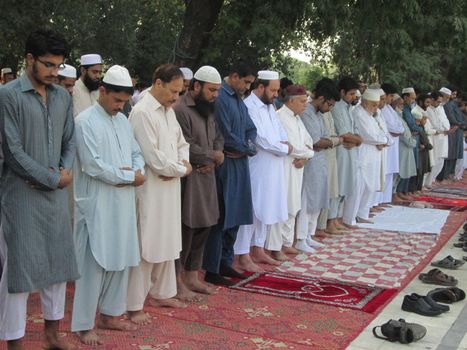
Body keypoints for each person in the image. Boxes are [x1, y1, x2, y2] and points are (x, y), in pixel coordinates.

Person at [0, 28, 79, 350]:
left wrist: (63, 170)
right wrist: (51, 178)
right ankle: (14, 343)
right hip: (20, 197)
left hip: (55, 197)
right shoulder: (8, 96)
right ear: (29, 59)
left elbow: (70, 139)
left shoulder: (62, 96)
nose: (53, 72)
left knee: (57, 266)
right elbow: (12, 151)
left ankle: (51, 335)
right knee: (17, 275)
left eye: (58, 66)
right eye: (47, 64)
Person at [71, 65, 145, 346]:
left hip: (122, 201)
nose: (120, 106)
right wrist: (129, 176)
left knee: (120, 258)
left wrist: (138, 171)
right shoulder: (85, 122)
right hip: (97, 203)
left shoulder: (123, 121)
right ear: (102, 91)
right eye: (116, 100)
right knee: (93, 263)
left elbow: (137, 153)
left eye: (124, 101)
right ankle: (82, 324)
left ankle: (112, 314)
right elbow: (92, 166)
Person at [127, 64, 191, 324]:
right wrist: (179, 169)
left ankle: (162, 292)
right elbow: (153, 159)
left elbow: (181, 143)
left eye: (179, 92)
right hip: (151, 188)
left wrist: (182, 166)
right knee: (147, 245)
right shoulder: (142, 112)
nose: (176, 97)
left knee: (167, 240)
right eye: (173, 91)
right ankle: (133, 305)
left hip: (170, 185)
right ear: (157, 83)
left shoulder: (168, 111)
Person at [202, 62, 257, 286]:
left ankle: (225, 261)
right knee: (222, 215)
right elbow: (224, 134)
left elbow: (251, 129)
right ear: (234, 76)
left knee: (235, 214)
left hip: (239, 164)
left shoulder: (239, 100)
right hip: (225, 164)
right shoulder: (222, 98)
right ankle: (212, 268)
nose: (247, 87)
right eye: (245, 82)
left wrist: (248, 146)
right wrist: (247, 147)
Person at [173, 66, 224, 299]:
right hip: (190, 178)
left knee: (205, 226)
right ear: (196, 86)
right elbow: (185, 144)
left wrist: (217, 154)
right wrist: (210, 157)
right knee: (186, 229)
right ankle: (176, 281)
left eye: (217, 91)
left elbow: (219, 137)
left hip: (207, 176)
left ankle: (193, 276)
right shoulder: (181, 109)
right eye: (212, 90)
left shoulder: (209, 109)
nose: (215, 95)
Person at [234, 70, 291, 272]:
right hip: (256, 166)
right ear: (260, 87)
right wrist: (284, 148)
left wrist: (284, 144)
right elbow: (260, 139)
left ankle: (258, 248)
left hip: (273, 166)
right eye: (273, 90)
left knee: (266, 208)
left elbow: (280, 131)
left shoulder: (269, 106)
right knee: (251, 209)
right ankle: (242, 254)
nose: (276, 94)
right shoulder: (249, 106)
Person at [268, 85, 314, 259]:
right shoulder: (280, 117)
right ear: (291, 101)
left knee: (293, 205)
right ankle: (275, 247)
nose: (305, 105)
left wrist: (306, 156)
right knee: (281, 206)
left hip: (297, 168)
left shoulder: (297, 118)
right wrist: (308, 154)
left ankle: (287, 243)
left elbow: (308, 142)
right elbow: (292, 147)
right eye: (302, 102)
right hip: (284, 167)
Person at [295, 81, 336, 252]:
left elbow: (326, 138)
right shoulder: (307, 113)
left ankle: (309, 235)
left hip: (321, 163)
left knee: (318, 199)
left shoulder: (319, 114)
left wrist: (328, 142)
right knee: (307, 200)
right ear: (321, 99)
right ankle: (300, 239)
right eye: (330, 104)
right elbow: (316, 142)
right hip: (310, 164)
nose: (330, 108)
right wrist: (331, 142)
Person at [331, 77, 363, 227]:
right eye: (350, 94)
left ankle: (337, 219)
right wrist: (358, 140)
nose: (353, 97)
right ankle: (331, 221)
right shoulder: (337, 107)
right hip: (340, 152)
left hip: (351, 151)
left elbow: (356, 132)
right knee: (338, 187)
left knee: (346, 187)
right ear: (342, 92)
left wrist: (357, 140)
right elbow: (344, 133)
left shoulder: (349, 108)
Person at [380, 83, 405, 202]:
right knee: (383, 174)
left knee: (389, 174)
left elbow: (400, 126)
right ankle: (378, 202)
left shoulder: (390, 108)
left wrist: (399, 131)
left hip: (392, 145)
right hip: (385, 146)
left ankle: (385, 200)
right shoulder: (381, 109)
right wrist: (398, 131)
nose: (391, 99)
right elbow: (390, 127)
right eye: (391, 96)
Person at [425, 91, 450, 187]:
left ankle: (430, 181)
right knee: (432, 161)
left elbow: (446, 123)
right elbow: (435, 125)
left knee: (440, 161)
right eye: (438, 101)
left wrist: (444, 129)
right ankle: (426, 183)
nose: (439, 103)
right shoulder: (428, 110)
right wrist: (442, 129)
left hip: (442, 138)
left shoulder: (439, 108)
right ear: (432, 100)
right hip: (434, 138)